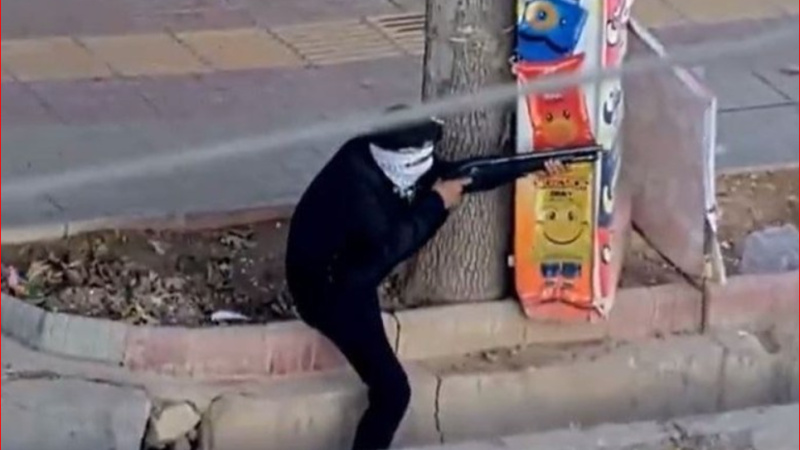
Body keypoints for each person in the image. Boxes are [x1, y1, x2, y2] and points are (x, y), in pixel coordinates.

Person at [285, 106, 563, 450]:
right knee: (393, 391)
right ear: (401, 156)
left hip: (352, 271)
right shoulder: (356, 187)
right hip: (329, 291)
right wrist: (435, 203)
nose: (428, 165)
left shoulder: (380, 161)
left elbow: (465, 175)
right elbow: (392, 248)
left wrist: (536, 165)